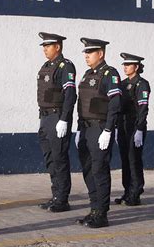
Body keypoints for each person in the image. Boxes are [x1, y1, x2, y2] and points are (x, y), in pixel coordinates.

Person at [74, 38, 121, 228]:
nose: (86, 55)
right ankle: (94, 209)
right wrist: (79, 128)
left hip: (100, 128)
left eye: (90, 52)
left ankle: (102, 214)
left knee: (99, 171)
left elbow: (115, 104)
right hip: (85, 128)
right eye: (85, 52)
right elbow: (81, 104)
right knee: (88, 170)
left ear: (100, 54)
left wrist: (108, 130)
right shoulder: (87, 74)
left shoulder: (110, 74)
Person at [36, 32, 76, 213]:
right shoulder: (46, 66)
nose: (45, 49)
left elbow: (69, 95)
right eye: (44, 46)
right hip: (45, 118)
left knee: (59, 158)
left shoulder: (65, 66)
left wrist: (64, 119)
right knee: (50, 158)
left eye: (48, 46)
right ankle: (56, 195)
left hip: (57, 116)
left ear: (57, 47)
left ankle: (62, 199)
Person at [114, 53, 150, 206]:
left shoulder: (142, 84)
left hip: (135, 125)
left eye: (128, 65)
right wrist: (116, 127)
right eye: (124, 65)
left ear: (136, 67)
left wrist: (140, 129)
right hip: (123, 126)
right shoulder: (122, 84)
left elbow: (143, 108)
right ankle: (127, 191)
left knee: (134, 159)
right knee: (125, 160)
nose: (125, 67)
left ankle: (135, 192)